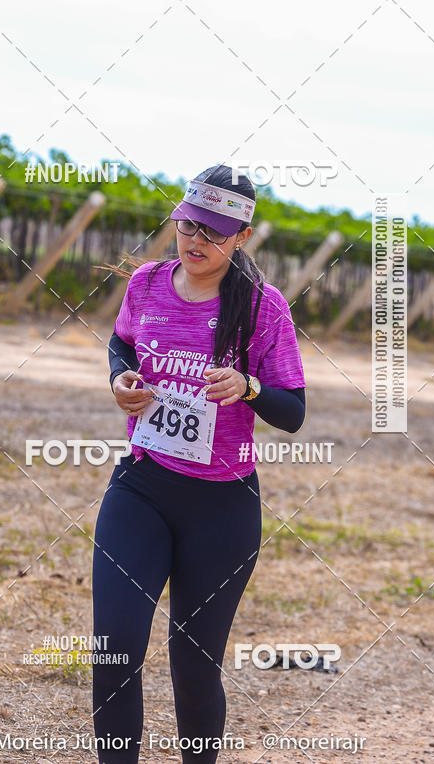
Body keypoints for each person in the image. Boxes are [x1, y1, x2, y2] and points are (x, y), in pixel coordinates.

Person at [91, 164, 306, 762]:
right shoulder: (148, 283)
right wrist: (120, 378)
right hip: (142, 489)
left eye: (213, 232)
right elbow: (122, 344)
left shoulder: (263, 308)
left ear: (242, 237)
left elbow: (293, 412)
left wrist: (249, 387)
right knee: (114, 648)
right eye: (188, 225)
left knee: (194, 664)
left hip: (222, 508)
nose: (195, 241)